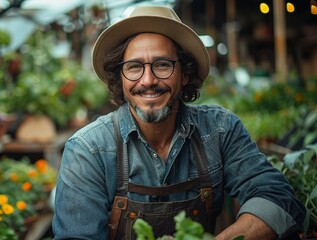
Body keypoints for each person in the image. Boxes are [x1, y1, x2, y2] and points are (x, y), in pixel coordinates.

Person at [52, 5, 305, 240]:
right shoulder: (89, 149)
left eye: (162, 65)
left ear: (185, 74)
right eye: (134, 67)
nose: (148, 80)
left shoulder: (220, 130)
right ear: (121, 77)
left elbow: (277, 198)